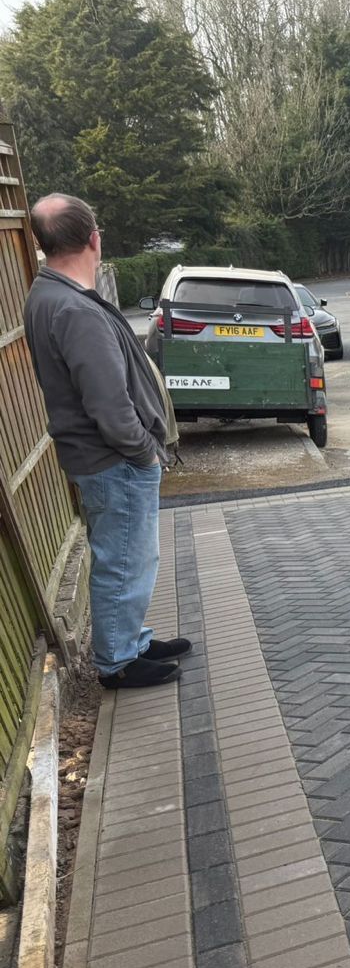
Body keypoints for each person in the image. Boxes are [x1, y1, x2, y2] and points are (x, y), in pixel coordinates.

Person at [22, 194, 188, 689]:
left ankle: (130, 640)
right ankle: (118, 661)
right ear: (94, 239)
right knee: (125, 560)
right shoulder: (76, 309)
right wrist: (144, 452)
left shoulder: (48, 294)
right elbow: (109, 405)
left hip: (100, 457)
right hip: (114, 459)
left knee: (128, 556)